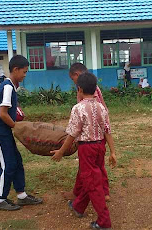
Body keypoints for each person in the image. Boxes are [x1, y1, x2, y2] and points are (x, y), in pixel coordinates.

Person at [51, 72, 117, 230]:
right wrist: (113, 152)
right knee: (92, 178)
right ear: (95, 89)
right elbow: (107, 130)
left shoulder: (78, 109)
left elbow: (72, 134)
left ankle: (104, 221)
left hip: (86, 148)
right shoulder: (101, 107)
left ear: (79, 89)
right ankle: (78, 206)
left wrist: (61, 151)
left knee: (92, 183)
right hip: (100, 146)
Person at [0, 55, 43, 211]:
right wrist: (17, 127)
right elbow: (2, 114)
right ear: (15, 69)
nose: (25, 75)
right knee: (7, 165)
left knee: (16, 161)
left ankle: (22, 195)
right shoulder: (8, 87)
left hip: (5, 132)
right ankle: (1, 199)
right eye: (24, 72)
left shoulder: (11, 86)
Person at [65, 62, 111, 203]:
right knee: (88, 167)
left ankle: (102, 193)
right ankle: (79, 192)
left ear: (77, 75)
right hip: (91, 135)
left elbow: (94, 112)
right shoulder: (89, 87)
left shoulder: (90, 90)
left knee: (95, 166)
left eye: (73, 79)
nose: (74, 83)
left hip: (93, 136)